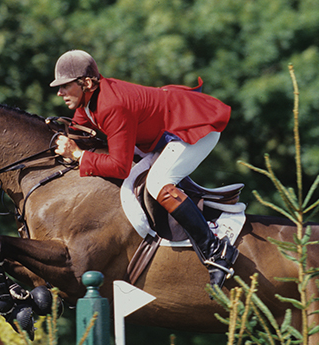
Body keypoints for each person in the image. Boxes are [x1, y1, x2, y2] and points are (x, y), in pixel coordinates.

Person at [51, 49, 238, 288]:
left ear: (86, 83)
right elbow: (79, 130)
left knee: (158, 182)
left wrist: (77, 155)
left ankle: (215, 249)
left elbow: (120, 167)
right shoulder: (87, 102)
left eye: (65, 86)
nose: (59, 92)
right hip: (162, 131)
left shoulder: (111, 105)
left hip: (193, 127)